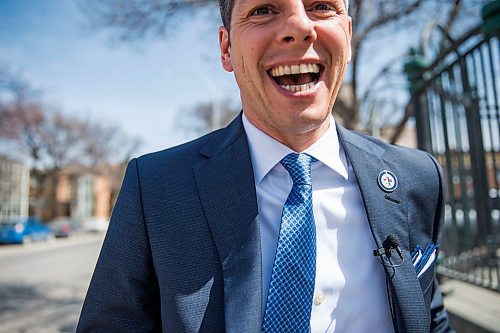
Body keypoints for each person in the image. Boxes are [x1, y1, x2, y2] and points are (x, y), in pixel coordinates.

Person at [77, 0, 454, 332]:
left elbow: (429, 317)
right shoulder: (155, 189)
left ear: (349, 35)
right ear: (226, 49)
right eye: (263, 10)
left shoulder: (417, 178)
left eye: (321, 6)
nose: (300, 27)